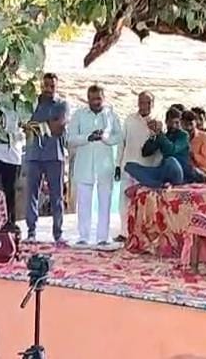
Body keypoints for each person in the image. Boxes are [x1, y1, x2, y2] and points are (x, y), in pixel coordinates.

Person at [68, 85, 122, 246]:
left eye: (98, 98)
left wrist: (105, 138)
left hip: (104, 166)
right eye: (92, 99)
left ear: (103, 98)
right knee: (84, 203)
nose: (96, 102)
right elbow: (71, 138)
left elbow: (119, 136)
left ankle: (102, 238)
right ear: (88, 99)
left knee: (105, 203)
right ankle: (83, 237)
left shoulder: (111, 115)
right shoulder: (79, 115)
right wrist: (88, 138)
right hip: (84, 165)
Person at [23, 73, 69, 243]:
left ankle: (58, 233)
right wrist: (46, 125)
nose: (49, 89)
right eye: (46, 85)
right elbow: (25, 125)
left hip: (54, 155)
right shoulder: (31, 103)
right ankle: (31, 232)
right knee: (31, 195)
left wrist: (36, 126)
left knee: (57, 196)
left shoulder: (62, 104)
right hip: (33, 154)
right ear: (41, 85)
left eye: (52, 86)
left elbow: (58, 128)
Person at [114, 91, 161, 242]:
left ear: (152, 104)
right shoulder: (129, 120)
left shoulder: (158, 122)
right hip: (128, 166)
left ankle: (142, 235)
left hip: (147, 169)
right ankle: (124, 233)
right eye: (141, 102)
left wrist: (156, 170)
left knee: (144, 203)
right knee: (124, 201)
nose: (144, 105)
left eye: (147, 102)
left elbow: (159, 149)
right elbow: (121, 143)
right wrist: (117, 164)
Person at [124, 107, 187, 188]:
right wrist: (153, 135)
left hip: (177, 173)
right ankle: (158, 184)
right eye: (172, 122)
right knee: (129, 166)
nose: (175, 126)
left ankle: (154, 183)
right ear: (166, 122)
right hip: (163, 171)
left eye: (177, 123)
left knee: (171, 160)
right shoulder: (163, 136)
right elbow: (145, 153)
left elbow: (171, 150)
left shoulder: (183, 136)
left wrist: (160, 133)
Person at [181, 110, 206, 183]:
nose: (188, 128)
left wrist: (192, 154)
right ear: (181, 124)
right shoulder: (179, 136)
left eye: (191, 124)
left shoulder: (205, 137)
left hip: (201, 171)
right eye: (185, 125)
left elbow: (205, 161)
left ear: (195, 122)